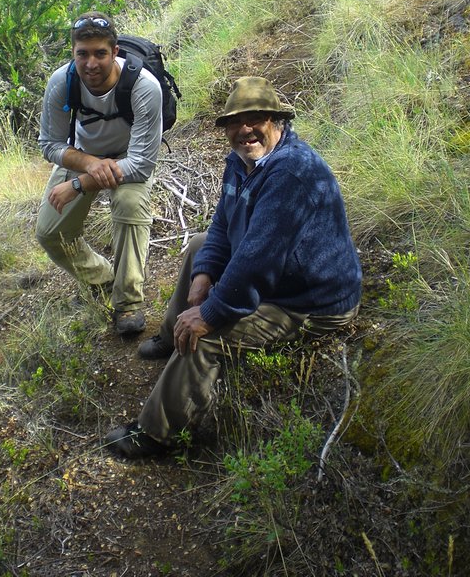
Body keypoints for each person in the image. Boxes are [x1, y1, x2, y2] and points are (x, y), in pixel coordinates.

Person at [105, 76, 362, 457]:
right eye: (235, 122)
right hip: (279, 277)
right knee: (198, 247)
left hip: (310, 302)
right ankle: (169, 335)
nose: (245, 130)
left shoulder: (290, 173)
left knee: (206, 335)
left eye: (256, 118)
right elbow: (224, 224)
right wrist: (204, 274)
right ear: (225, 129)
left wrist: (210, 312)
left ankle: (158, 435)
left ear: (276, 121)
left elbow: (259, 262)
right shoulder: (241, 162)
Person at [36, 11, 162, 335]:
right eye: (83, 54)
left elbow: (142, 164)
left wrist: (78, 184)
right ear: (73, 53)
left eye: (100, 53)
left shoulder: (144, 86)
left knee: (130, 206)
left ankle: (128, 303)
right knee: (50, 233)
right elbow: (49, 144)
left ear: (115, 51)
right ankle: (104, 280)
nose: (91, 64)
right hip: (82, 155)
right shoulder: (62, 82)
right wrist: (89, 164)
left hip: (128, 157)